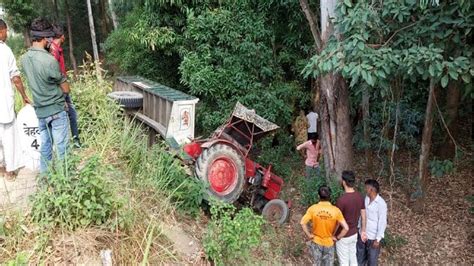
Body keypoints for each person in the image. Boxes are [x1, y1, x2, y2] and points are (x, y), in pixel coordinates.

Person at [21, 18, 70, 174]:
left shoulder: (24, 59)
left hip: (40, 111)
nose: (51, 40)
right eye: (49, 37)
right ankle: (65, 180)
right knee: (62, 148)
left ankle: (45, 180)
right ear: (44, 37)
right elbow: (65, 87)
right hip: (56, 110)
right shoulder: (49, 60)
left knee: (46, 146)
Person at [0, 19, 31, 180]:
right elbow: (16, 77)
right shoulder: (5, 51)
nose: (7, 34)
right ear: (1, 31)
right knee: (8, 135)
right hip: (3, 102)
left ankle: (1, 167)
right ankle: (10, 171)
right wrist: (24, 96)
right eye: (6, 30)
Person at [301, 186, 349, 266]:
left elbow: (302, 223)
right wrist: (337, 237)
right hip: (329, 243)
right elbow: (346, 228)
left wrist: (309, 235)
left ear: (318, 196)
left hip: (316, 241)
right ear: (330, 196)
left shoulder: (313, 208)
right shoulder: (336, 211)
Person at [50, 24, 80, 148]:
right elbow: (55, 73)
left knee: (70, 114)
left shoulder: (55, 49)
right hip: (60, 90)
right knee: (69, 114)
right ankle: (73, 143)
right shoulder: (54, 50)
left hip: (61, 88)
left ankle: (73, 141)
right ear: (62, 36)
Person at [335, 171, 366, 266]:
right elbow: (364, 216)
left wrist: (334, 235)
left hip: (343, 236)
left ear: (344, 182)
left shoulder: (341, 200)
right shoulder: (360, 197)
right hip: (354, 234)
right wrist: (363, 231)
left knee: (344, 261)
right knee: (353, 259)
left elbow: (338, 222)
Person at [356, 179, 387, 266]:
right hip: (362, 234)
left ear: (371, 189)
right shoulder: (366, 198)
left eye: (366, 188)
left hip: (373, 238)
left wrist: (378, 239)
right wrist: (359, 228)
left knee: (372, 262)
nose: (365, 189)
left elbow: (382, 222)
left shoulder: (381, 203)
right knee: (359, 259)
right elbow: (362, 214)